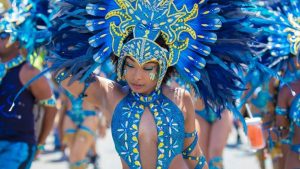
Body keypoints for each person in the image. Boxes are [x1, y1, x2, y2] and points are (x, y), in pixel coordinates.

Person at [48, 0, 258, 168]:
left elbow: (192, 154)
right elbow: (61, 73)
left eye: (148, 68)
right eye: (130, 65)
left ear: (163, 68)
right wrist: (66, 33)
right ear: (120, 62)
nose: (137, 76)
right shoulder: (110, 94)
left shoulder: (180, 98)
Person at [0, 0, 57, 168]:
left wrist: (40, 143)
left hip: (17, 146)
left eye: (3, 35)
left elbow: (51, 108)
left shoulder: (29, 72)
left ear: (17, 40)